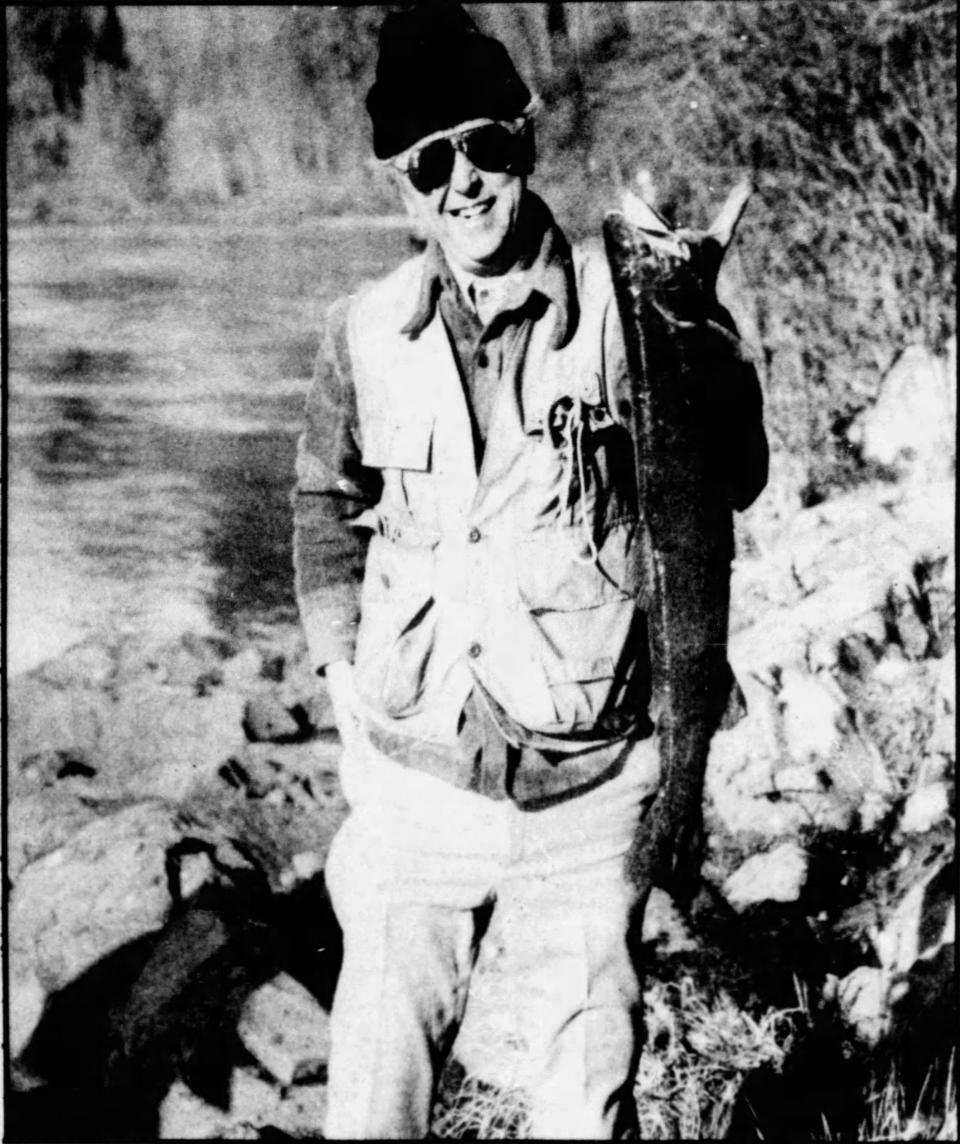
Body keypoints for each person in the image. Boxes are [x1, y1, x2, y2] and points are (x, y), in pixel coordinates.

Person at [292, 3, 768, 1137]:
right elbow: (323, 505)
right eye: (430, 161)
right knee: (371, 1101)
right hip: (416, 784)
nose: (465, 182)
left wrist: (702, 333)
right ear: (400, 187)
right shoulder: (359, 331)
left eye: (485, 146)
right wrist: (339, 670)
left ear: (525, 139)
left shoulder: (634, 302)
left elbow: (733, 473)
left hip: (595, 786)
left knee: (581, 1103)